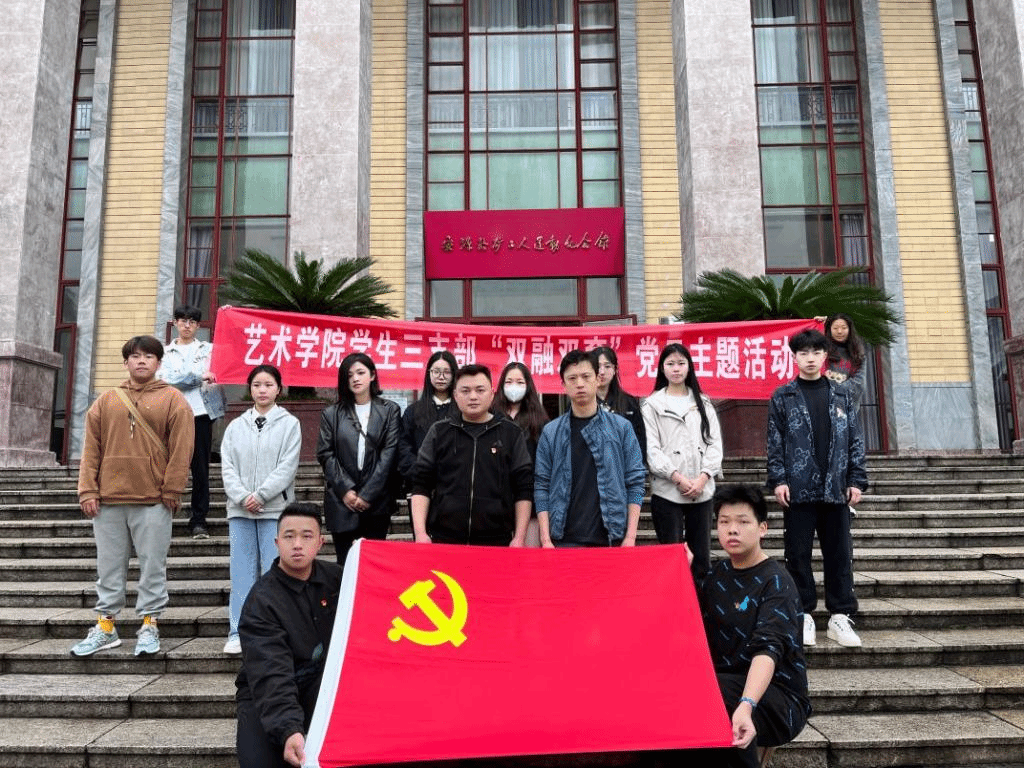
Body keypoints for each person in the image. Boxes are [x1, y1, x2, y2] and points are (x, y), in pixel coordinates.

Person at [72, 335, 195, 657]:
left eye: (149, 356)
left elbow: (182, 449)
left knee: (153, 567)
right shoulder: (107, 400)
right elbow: (91, 449)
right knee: (108, 568)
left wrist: (173, 488)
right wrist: (87, 489)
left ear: (159, 362)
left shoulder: (173, 399)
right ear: (126, 362)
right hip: (108, 500)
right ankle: (105, 627)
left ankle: (149, 625)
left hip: (153, 499)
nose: (142, 361)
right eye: (136, 356)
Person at [691, 484, 811, 768]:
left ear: (762, 528)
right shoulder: (716, 576)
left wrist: (747, 704)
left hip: (777, 697)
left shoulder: (777, 582)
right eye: (724, 522)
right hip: (725, 684)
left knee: (714, 697)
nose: (732, 530)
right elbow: (688, 621)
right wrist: (679, 570)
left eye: (743, 522)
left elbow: (768, 649)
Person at [766, 328, 868, 648]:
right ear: (794, 357)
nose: (810, 358)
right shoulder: (783, 396)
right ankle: (803, 615)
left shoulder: (842, 395)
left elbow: (854, 439)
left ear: (825, 356)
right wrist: (779, 479)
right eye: (803, 353)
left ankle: (840, 615)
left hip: (836, 488)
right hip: (798, 489)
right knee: (797, 554)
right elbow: (775, 443)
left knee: (840, 553)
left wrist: (856, 479)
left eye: (816, 352)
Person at [235, 503, 342, 768]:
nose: (297, 545)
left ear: (320, 542)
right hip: (268, 689)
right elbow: (270, 672)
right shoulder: (262, 600)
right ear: (276, 542)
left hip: (322, 682)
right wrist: (289, 729)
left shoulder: (338, 579)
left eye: (306, 536)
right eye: (289, 536)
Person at [220, 364, 302, 655]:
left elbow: (288, 466)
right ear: (250, 389)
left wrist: (262, 495)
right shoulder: (235, 426)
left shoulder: (290, 424)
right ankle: (238, 631)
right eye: (257, 385)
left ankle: (274, 630)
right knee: (241, 573)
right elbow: (227, 467)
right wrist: (244, 497)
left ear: (278, 389)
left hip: (275, 509)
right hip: (240, 511)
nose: (262, 390)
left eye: (268, 385)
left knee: (274, 571)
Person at [410, 364, 534, 546]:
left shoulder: (511, 434)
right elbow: (421, 484)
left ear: (492, 394)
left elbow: (523, 488)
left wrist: (519, 537)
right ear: (455, 395)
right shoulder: (439, 432)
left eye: (480, 390)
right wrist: (420, 533)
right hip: (445, 539)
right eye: (465, 391)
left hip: (497, 541)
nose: (473, 396)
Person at [534, 349, 646, 548]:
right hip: (563, 540)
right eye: (572, 378)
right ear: (563, 385)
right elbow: (542, 485)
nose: (579, 384)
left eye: (586, 376)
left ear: (597, 379)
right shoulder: (551, 432)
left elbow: (636, 482)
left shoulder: (622, 428)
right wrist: (545, 539)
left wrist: (630, 537)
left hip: (612, 538)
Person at [642, 343, 723, 581]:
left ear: (689, 367)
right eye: (670, 364)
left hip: (702, 490)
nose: (676, 369)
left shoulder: (704, 403)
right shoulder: (652, 405)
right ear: (662, 368)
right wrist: (676, 477)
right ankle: (674, 602)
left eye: (681, 363)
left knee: (702, 558)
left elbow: (715, 444)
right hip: (667, 490)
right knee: (671, 556)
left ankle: (700, 602)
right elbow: (652, 449)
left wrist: (703, 478)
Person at [316, 352, 401, 569]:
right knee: (345, 566)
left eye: (361, 373)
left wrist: (367, 494)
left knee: (374, 567)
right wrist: (346, 490)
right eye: (349, 375)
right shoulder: (331, 414)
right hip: (341, 501)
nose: (355, 378)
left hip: (377, 501)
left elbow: (389, 453)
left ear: (372, 375)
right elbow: (326, 454)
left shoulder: (390, 410)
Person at [159, 304, 226, 539]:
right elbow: (167, 380)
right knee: (167, 468)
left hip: (201, 415)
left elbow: (231, 352)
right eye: (183, 320)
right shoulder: (165, 353)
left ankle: (199, 520)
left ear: (198, 326)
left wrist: (227, 314)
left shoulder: (210, 350)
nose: (187, 325)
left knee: (200, 470)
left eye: (192, 322)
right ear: (175, 323)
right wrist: (199, 377)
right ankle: (163, 519)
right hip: (172, 415)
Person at [397, 350, 458, 483]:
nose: (441, 377)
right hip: (420, 482)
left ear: (454, 375)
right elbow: (404, 447)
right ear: (429, 373)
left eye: (446, 372)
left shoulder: (462, 411)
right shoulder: (413, 411)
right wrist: (420, 473)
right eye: (436, 371)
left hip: (455, 483)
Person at [594, 346, 647, 465]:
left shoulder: (629, 402)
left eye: (607, 366)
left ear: (615, 369)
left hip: (623, 469)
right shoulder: (580, 403)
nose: (602, 372)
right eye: (597, 366)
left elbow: (639, 441)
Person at [823, 312, 867, 414]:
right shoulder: (821, 351)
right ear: (829, 329)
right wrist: (818, 324)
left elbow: (859, 384)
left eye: (843, 328)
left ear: (850, 329)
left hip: (846, 411)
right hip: (822, 408)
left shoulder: (858, 354)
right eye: (835, 328)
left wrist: (833, 389)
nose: (839, 331)